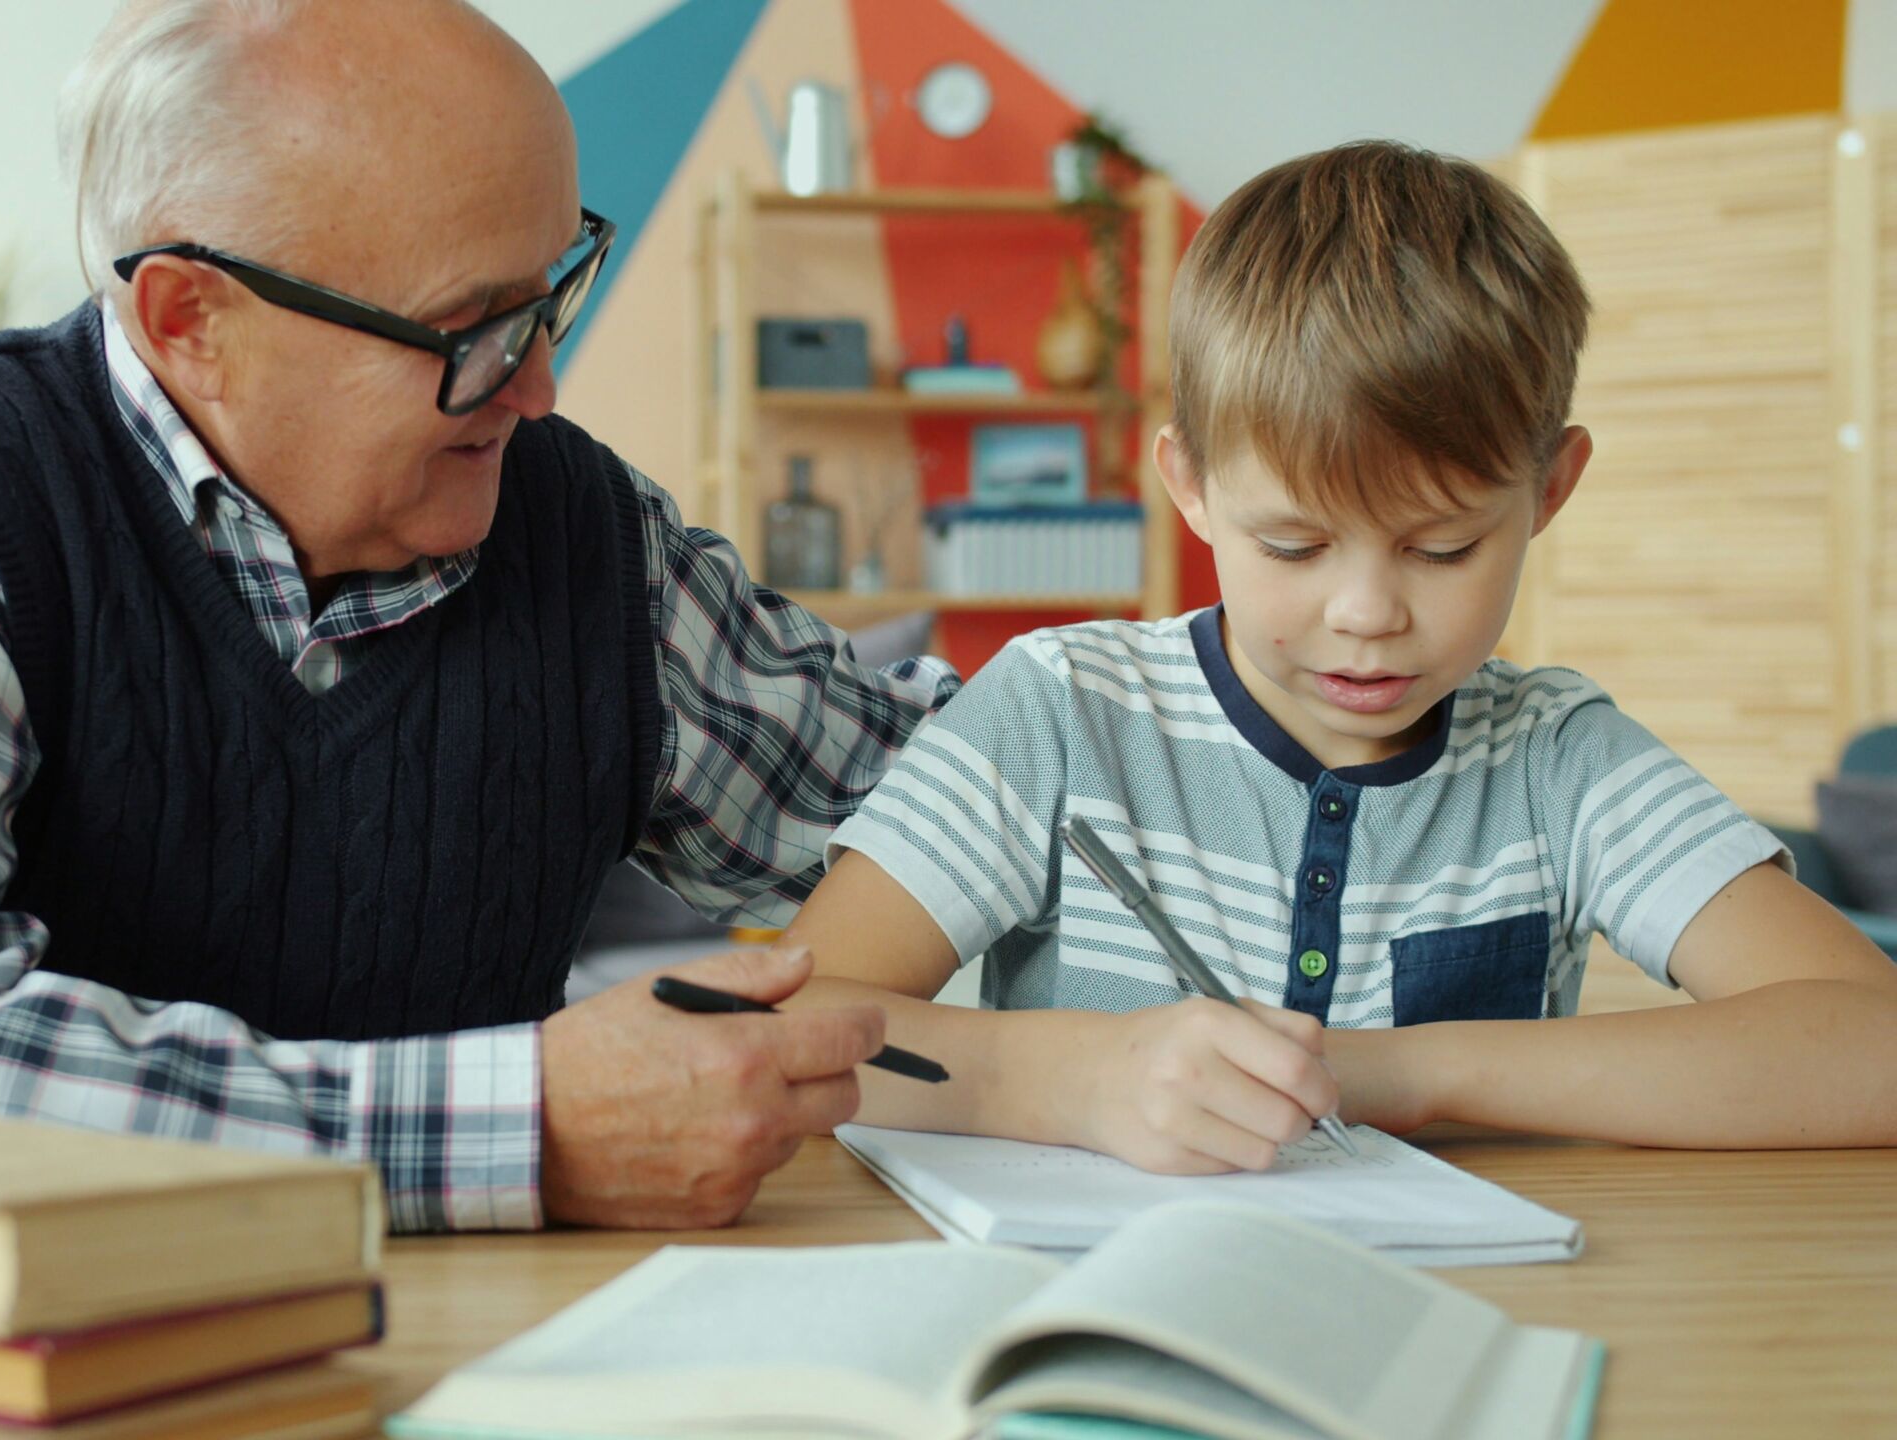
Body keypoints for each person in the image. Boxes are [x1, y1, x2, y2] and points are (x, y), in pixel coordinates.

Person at [0, 0, 961, 1232]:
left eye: (551, 289)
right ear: (192, 322)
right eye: (472, 328)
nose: (538, 386)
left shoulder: (583, 529)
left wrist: (1133, 709)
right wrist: (525, 1133)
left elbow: (950, 815)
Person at [779, 140, 1897, 1173]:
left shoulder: (1563, 760)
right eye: (1294, 544)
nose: (1366, 611)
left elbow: (1870, 1045)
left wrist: (1402, 1073)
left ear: (1549, 490)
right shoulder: (1061, 713)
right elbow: (793, 1026)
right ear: (1191, 487)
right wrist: (1069, 1086)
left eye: (1443, 545)